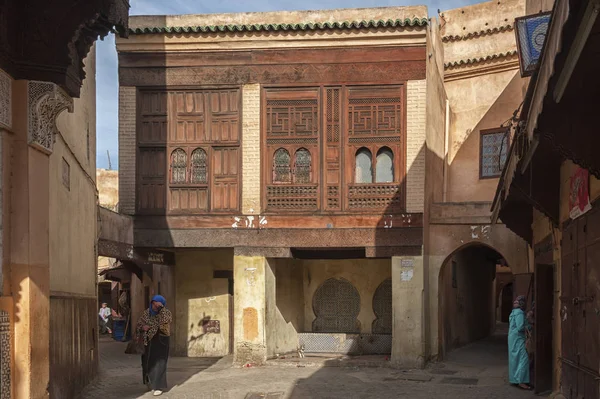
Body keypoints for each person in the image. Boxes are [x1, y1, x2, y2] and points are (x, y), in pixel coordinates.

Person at [135, 295, 172, 397]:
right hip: (148, 341)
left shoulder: (166, 313)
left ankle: (158, 386)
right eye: (153, 304)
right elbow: (139, 324)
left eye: (157, 304)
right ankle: (149, 381)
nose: (155, 306)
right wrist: (143, 327)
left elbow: (165, 320)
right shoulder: (146, 313)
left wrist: (161, 309)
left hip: (161, 341)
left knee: (160, 363)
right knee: (147, 362)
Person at [508, 295, 531, 390]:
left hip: (512, 338)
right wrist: (529, 325)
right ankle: (521, 381)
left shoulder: (513, 312)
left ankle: (514, 379)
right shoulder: (520, 313)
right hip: (518, 338)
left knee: (514, 358)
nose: (515, 302)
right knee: (524, 358)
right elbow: (520, 327)